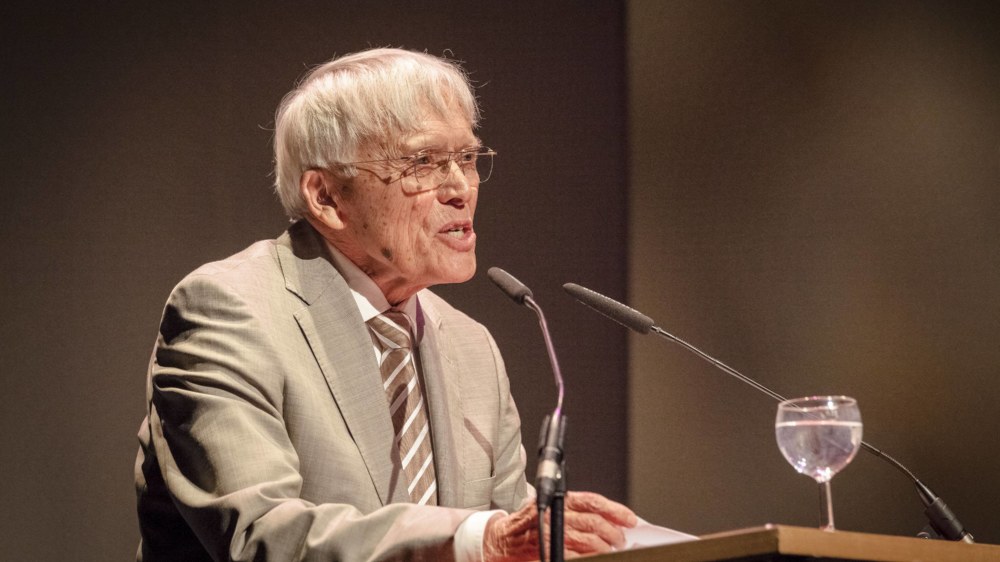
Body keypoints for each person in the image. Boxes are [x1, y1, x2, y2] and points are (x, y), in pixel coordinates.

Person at [134, 47, 636, 561]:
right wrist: (479, 540)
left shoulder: (471, 346)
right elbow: (262, 533)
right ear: (326, 196)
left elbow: (510, 534)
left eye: (466, 158)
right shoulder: (228, 311)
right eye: (422, 163)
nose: (461, 188)